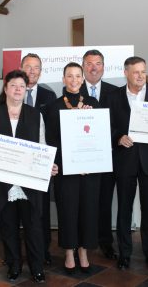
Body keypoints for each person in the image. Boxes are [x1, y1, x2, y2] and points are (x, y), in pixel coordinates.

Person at [0, 70, 58, 283]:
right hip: (3, 181)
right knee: (8, 226)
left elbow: (42, 145)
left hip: (30, 180)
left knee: (33, 226)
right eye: (13, 85)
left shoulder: (36, 115)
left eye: (21, 86)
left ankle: (36, 267)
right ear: (6, 88)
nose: (18, 89)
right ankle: (14, 265)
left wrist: (49, 165)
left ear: (26, 89)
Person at [107, 56, 148, 271]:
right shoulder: (114, 96)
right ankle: (124, 254)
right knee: (124, 209)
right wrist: (118, 137)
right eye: (136, 72)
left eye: (143, 71)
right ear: (126, 73)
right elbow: (108, 125)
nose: (140, 76)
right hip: (125, 160)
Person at [45, 62, 101, 275]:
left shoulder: (93, 103)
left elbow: (98, 136)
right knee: (67, 211)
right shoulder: (53, 106)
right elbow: (51, 139)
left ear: (83, 78)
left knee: (88, 210)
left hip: (89, 171)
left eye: (78, 76)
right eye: (70, 76)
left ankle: (84, 251)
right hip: (65, 170)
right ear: (63, 79)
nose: (74, 80)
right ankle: (69, 252)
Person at [80, 49, 118, 260]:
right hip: (83, 160)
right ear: (83, 67)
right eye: (89, 63)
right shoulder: (75, 93)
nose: (94, 67)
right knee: (85, 202)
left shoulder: (115, 92)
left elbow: (118, 123)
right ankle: (84, 241)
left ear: (104, 67)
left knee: (104, 201)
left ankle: (105, 241)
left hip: (108, 158)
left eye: (98, 63)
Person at [20, 53, 57, 265]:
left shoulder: (48, 95)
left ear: (41, 72)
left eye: (36, 68)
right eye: (28, 67)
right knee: (17, 207)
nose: (32, 71)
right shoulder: (11, 92)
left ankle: (43, 251)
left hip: (40, 161)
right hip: (16, 160)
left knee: (40, 209)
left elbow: (51, 130)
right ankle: (17, 251)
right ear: (21, 68)